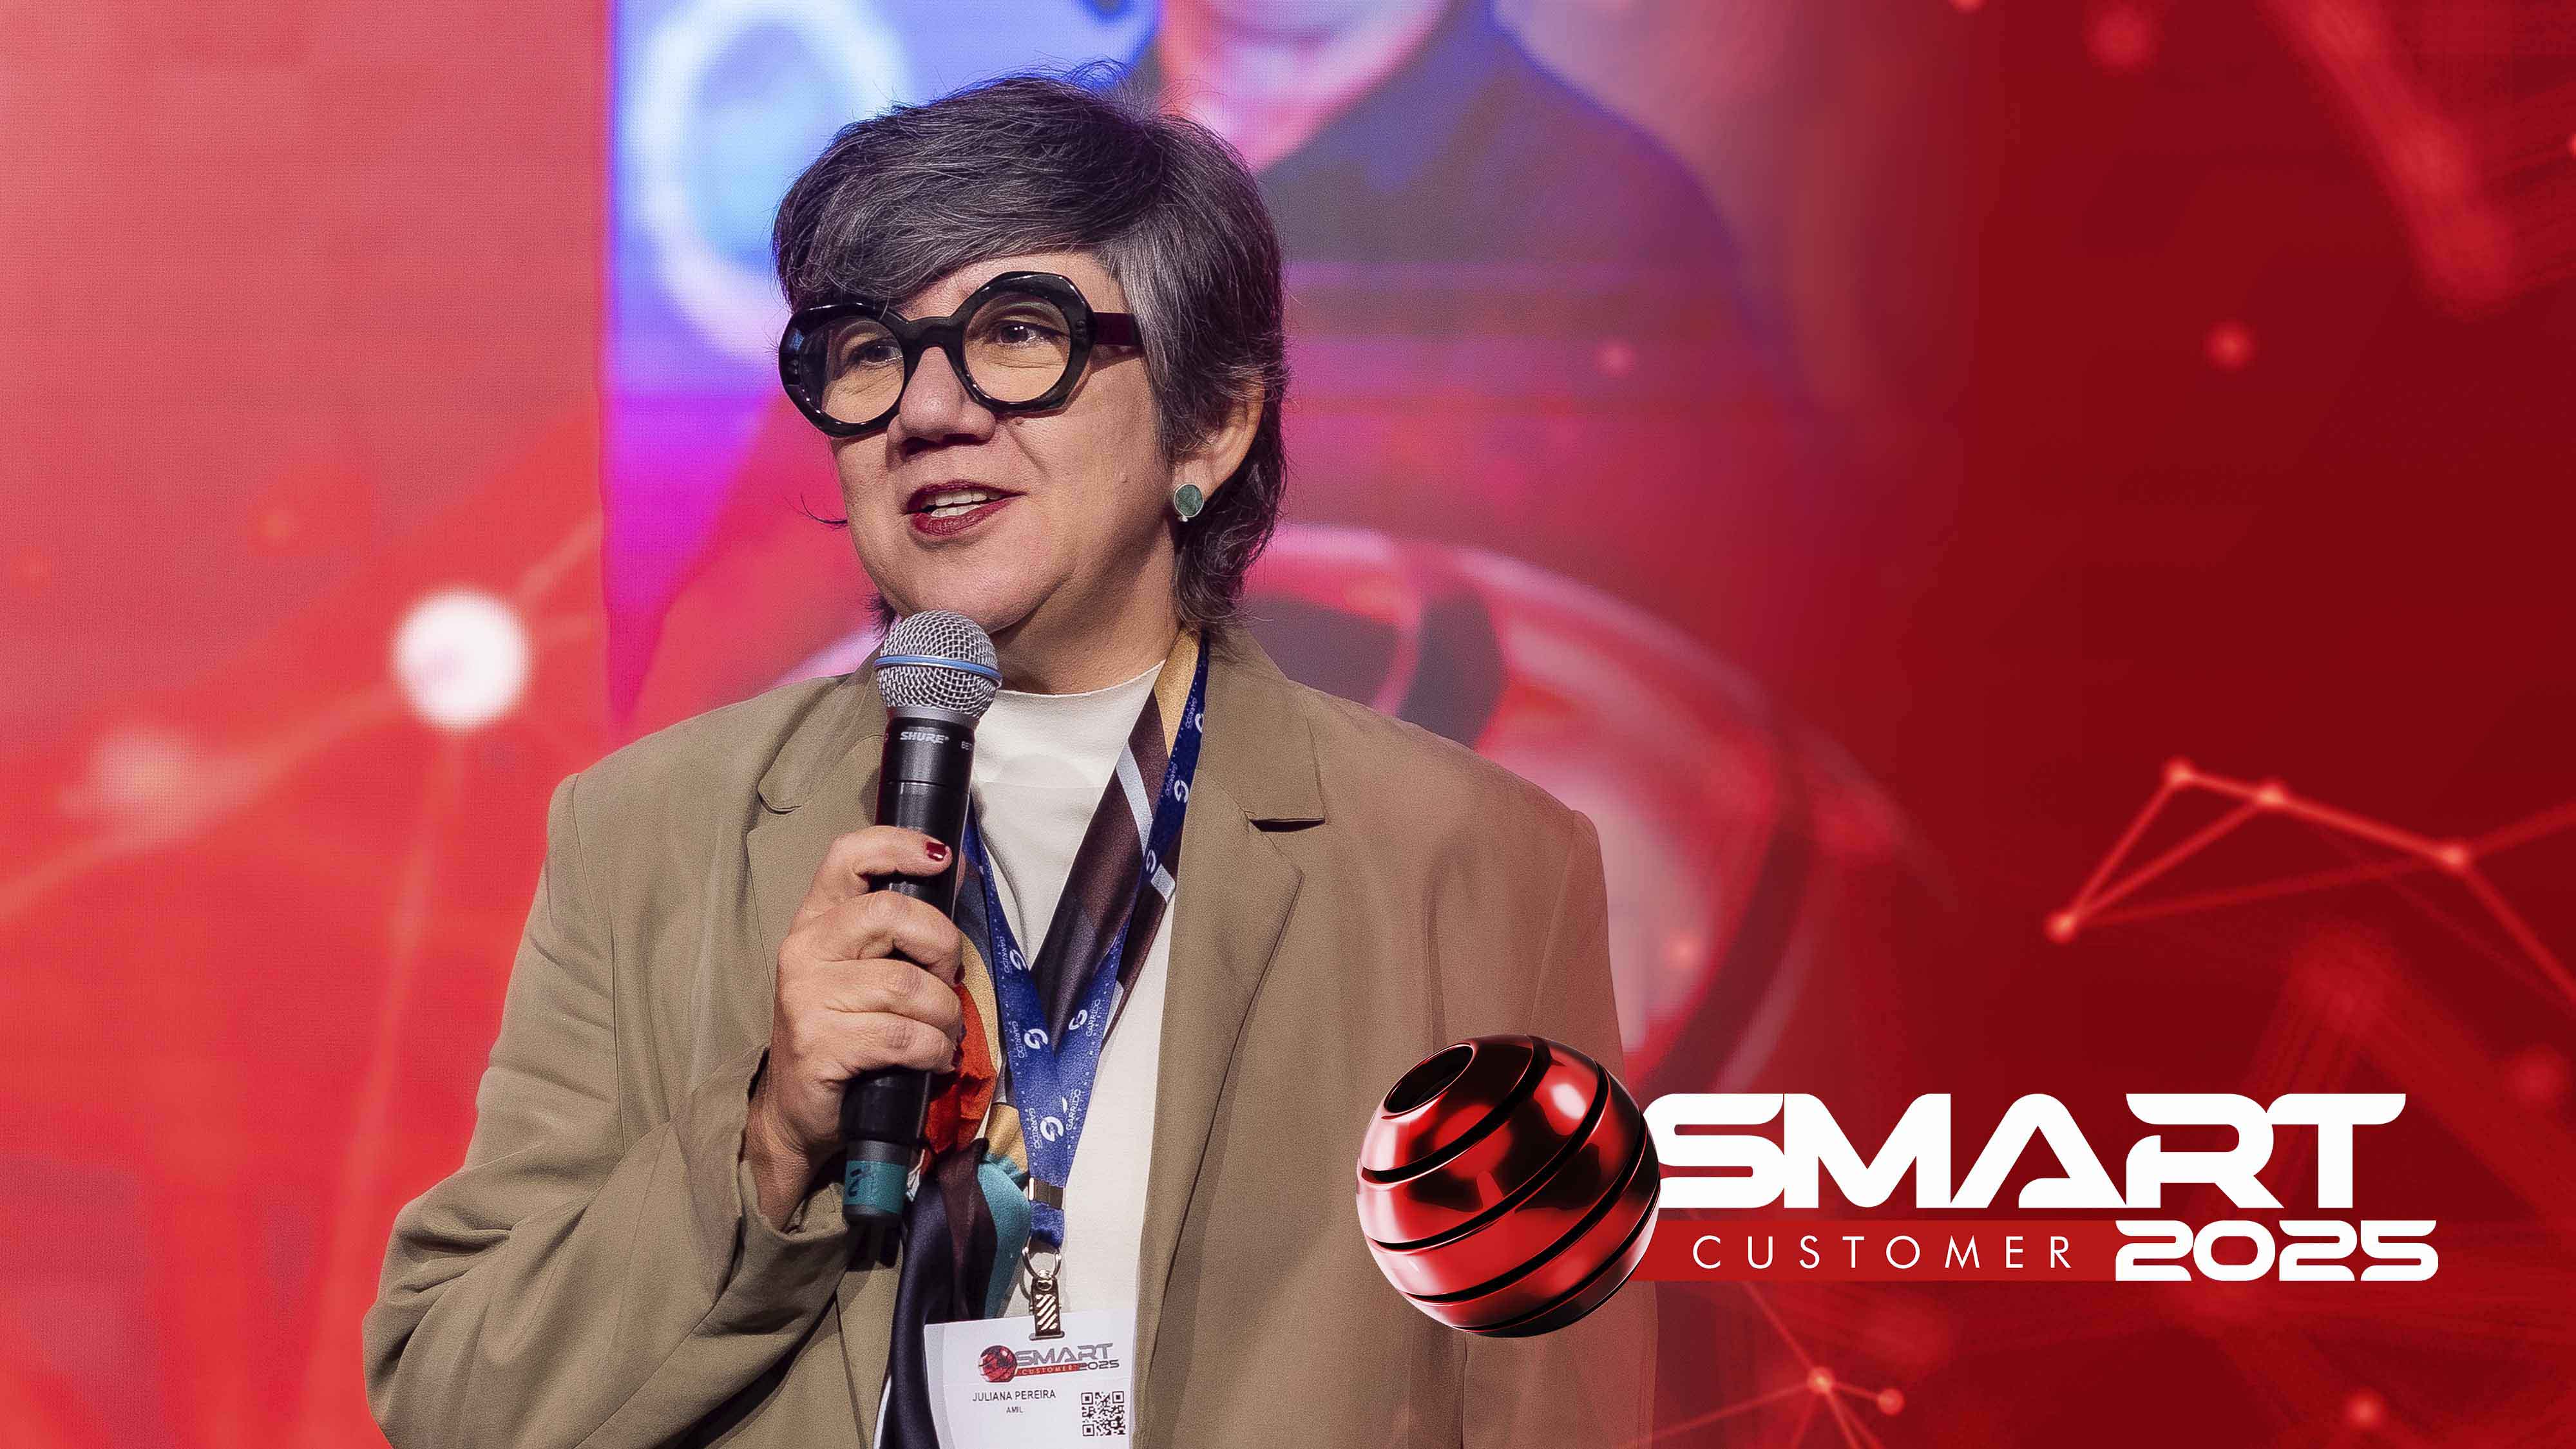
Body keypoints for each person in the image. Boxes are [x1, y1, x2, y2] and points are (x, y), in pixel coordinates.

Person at [365, 76, 1650, 1447]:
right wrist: (767, 1139)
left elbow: (1548, 1411)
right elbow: (455, 1395)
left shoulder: (1471, 862)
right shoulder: (649, 831)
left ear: (1210, 424)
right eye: (869, 351)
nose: (925, 410)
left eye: (1018, 333)